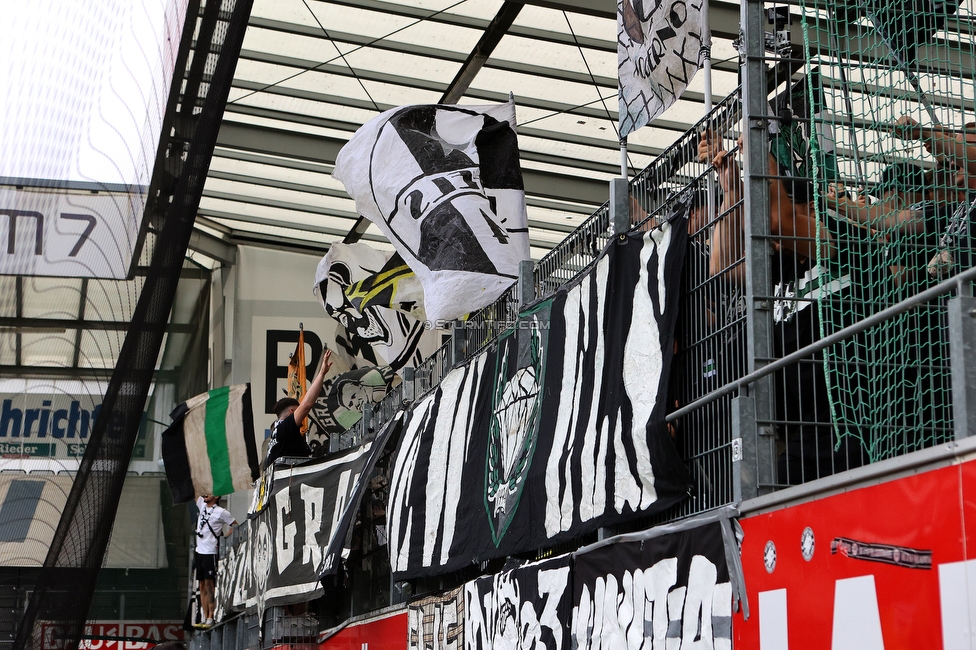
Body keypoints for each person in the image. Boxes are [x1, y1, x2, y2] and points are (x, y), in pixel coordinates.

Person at [699, 127, 865, 484]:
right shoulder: (780, 266)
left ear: (808, 208)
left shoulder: (842, 240)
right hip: (802, 433)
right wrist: (731, 188)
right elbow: (721, 264)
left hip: (849, 427)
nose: (768, 228)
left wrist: (760, 155)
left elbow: (780, 221)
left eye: (782, 200)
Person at [266, 349, 333, 468]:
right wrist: (322, 373)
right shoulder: (284, 428)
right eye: (298, 411)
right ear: (292, 412)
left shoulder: (277, 434)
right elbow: (306, 405)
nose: (303, 416)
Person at [194, 494, 236, 628]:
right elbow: (196, 490)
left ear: (216, 496)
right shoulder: (201, 504)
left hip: (210, 552)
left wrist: (223, 540)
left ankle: (211, 616)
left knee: (209, 584)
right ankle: (204, 616)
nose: (205, 494)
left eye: (209, 492)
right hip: (199, 551)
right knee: (201, 585)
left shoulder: (221, 512)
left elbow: (235, 526)